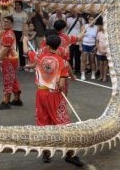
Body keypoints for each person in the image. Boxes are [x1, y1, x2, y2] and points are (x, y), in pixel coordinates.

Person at [33, 34, 84, 167]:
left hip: (40, 93)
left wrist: (26, 40)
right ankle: (70, 154)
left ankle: (46, 152)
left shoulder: (39, 58)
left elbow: (29, 55)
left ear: (47, 46)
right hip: (54, 95)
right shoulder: (63, 62)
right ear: (59, 46)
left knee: (43, 122)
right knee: (63, 123)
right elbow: (61, 85)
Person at [0, 16, 22, 110]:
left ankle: (6, 102)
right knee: (12, 79)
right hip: (11, 59)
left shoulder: (8, 34)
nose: (4, 23)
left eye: (7, 22)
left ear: (11, 24)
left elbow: (5, 50)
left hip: (9, 59)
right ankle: (17, 99)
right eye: (4, 21)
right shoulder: (5, 32)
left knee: (8, 80)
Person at [12, 1, 29, 70]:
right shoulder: (12, 12)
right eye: (16, 5)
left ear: (21, 6)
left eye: (18, 5)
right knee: (13, 48)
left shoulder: (24, 14)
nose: (17, 6)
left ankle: (22, 65)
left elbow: (24, 25)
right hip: (13, 31)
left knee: (21, 49)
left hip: (20, 32)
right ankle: (13, 64)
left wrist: (23, 35)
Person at [80, 15, 97, 80]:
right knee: (83, 60)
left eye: (93, 19)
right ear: (88, 20)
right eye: (90, 19)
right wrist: (80, 46)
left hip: (92, 46)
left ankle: (93, 74)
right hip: (85, 45)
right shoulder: (84, 26)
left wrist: (95, 46)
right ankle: (83, 74)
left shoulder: (96, 28)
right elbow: (81, 37)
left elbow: (97, 38)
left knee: (92, 60)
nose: (91, 21)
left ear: (95, 21)